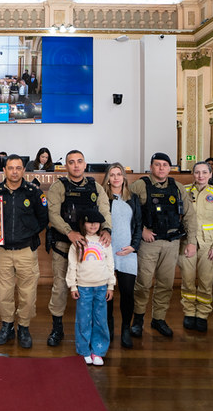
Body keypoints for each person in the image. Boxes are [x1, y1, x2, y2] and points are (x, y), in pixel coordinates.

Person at [45, 149, 112, 346]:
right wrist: (69, 232)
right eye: (71, 162)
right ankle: (57, 328)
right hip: (64, 245)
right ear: (66, 166)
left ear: (85, 164)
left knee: (92, 287)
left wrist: (107, 229)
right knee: (60, 287)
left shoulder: (95, 187)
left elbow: (105, 210)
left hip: (92, 248)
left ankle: (94, 329)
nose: (76, 165)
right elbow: (53, 214)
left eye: (79, 161)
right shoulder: (59, 186)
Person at [129, 153, 197, 338]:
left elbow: (190, 216)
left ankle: (158, 319)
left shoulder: (177, 188)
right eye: (157, 165)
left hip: (171, 242)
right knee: (143, 283)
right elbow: (128, 212)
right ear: (151, 167)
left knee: (165, 284)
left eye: (165, 165)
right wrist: (141, 229)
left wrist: (191, 242)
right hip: (148, 243)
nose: (161, 168)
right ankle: (138, 319)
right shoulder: (140, 185)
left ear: (170, 168)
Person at [0, 155, 49, 348]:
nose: (14, 171)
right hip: (3, 251)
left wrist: (28, 234)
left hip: (25, 251)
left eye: (18, 168)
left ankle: (23, 327)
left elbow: (43, 219)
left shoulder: (33, 192)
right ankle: (7, 327)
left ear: (24, 170)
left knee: (28, 293)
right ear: (4, 170)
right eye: (10, 168)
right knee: (3, 293)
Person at [178, 161, 213, 333]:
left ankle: (202, 315)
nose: (200, 176)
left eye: (204, 172)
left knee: (206, 282)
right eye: (197, 172)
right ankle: (189, 312)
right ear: (193, 174)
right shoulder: (183, 191)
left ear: (210, 174)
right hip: (187, 243)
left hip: (209, 245)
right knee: (188, 280)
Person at [67, 210, 116, 366]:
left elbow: (110, 264)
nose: (93, 225)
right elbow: (72, 265)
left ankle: (98, 351)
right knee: (83, 319)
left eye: (96, 222)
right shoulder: (78, 242)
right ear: (83, 224)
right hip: (83, 287)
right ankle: (84, 351)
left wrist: (111, 285)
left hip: (101, 287)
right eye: (89, 222)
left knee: (100, 319)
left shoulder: (104, 241)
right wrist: (72, 285)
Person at [101, 163, 141, 348]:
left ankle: (126, 328)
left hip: (127, 252)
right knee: (107, 294)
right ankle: (108, 327)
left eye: (119, 174)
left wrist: (133, 247)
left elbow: (139, 226)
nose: (116, 178)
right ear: (107, 178)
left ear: (124, 177)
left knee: (127, 293)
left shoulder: (133, 198)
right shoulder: (101, 198)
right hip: (106, 251)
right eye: (112, 174)